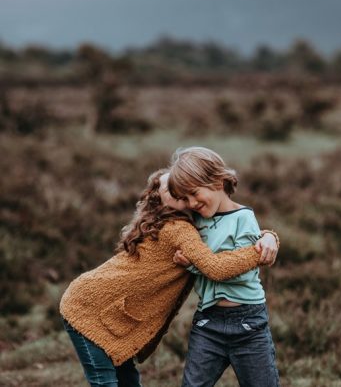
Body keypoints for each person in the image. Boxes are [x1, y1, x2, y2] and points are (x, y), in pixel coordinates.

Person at [59, 168, 279, 387]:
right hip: (86, 308)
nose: (177, 188)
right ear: (159, 197)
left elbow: (226, 229)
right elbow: (216, 267)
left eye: (181, 185)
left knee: (127, 380)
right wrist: (259, 251)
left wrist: (268, 236)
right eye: (170, 187)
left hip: (100, 307)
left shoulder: (192, 221)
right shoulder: (178, 228)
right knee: (105, 381)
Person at [168, 147, 280, 387]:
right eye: (185, 198)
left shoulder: (244, 218)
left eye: (195, 194)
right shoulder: (196, 223)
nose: (192, 203)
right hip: (208, 322)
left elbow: (241, 269)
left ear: (217, 181)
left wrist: (194, 265)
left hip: (248, 323)